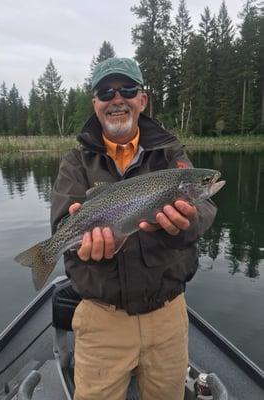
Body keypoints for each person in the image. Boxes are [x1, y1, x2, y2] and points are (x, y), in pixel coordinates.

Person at [51, 57, 217, 400]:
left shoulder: (171, 153)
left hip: (168, 317)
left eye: (128, 89)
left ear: (143, 100)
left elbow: (206, 210)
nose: (117, 99)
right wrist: (77, 243)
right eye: (106, 92)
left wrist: (183, 226)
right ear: (95, 103)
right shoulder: (76, 162)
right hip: (100, 319)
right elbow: (62, 225)